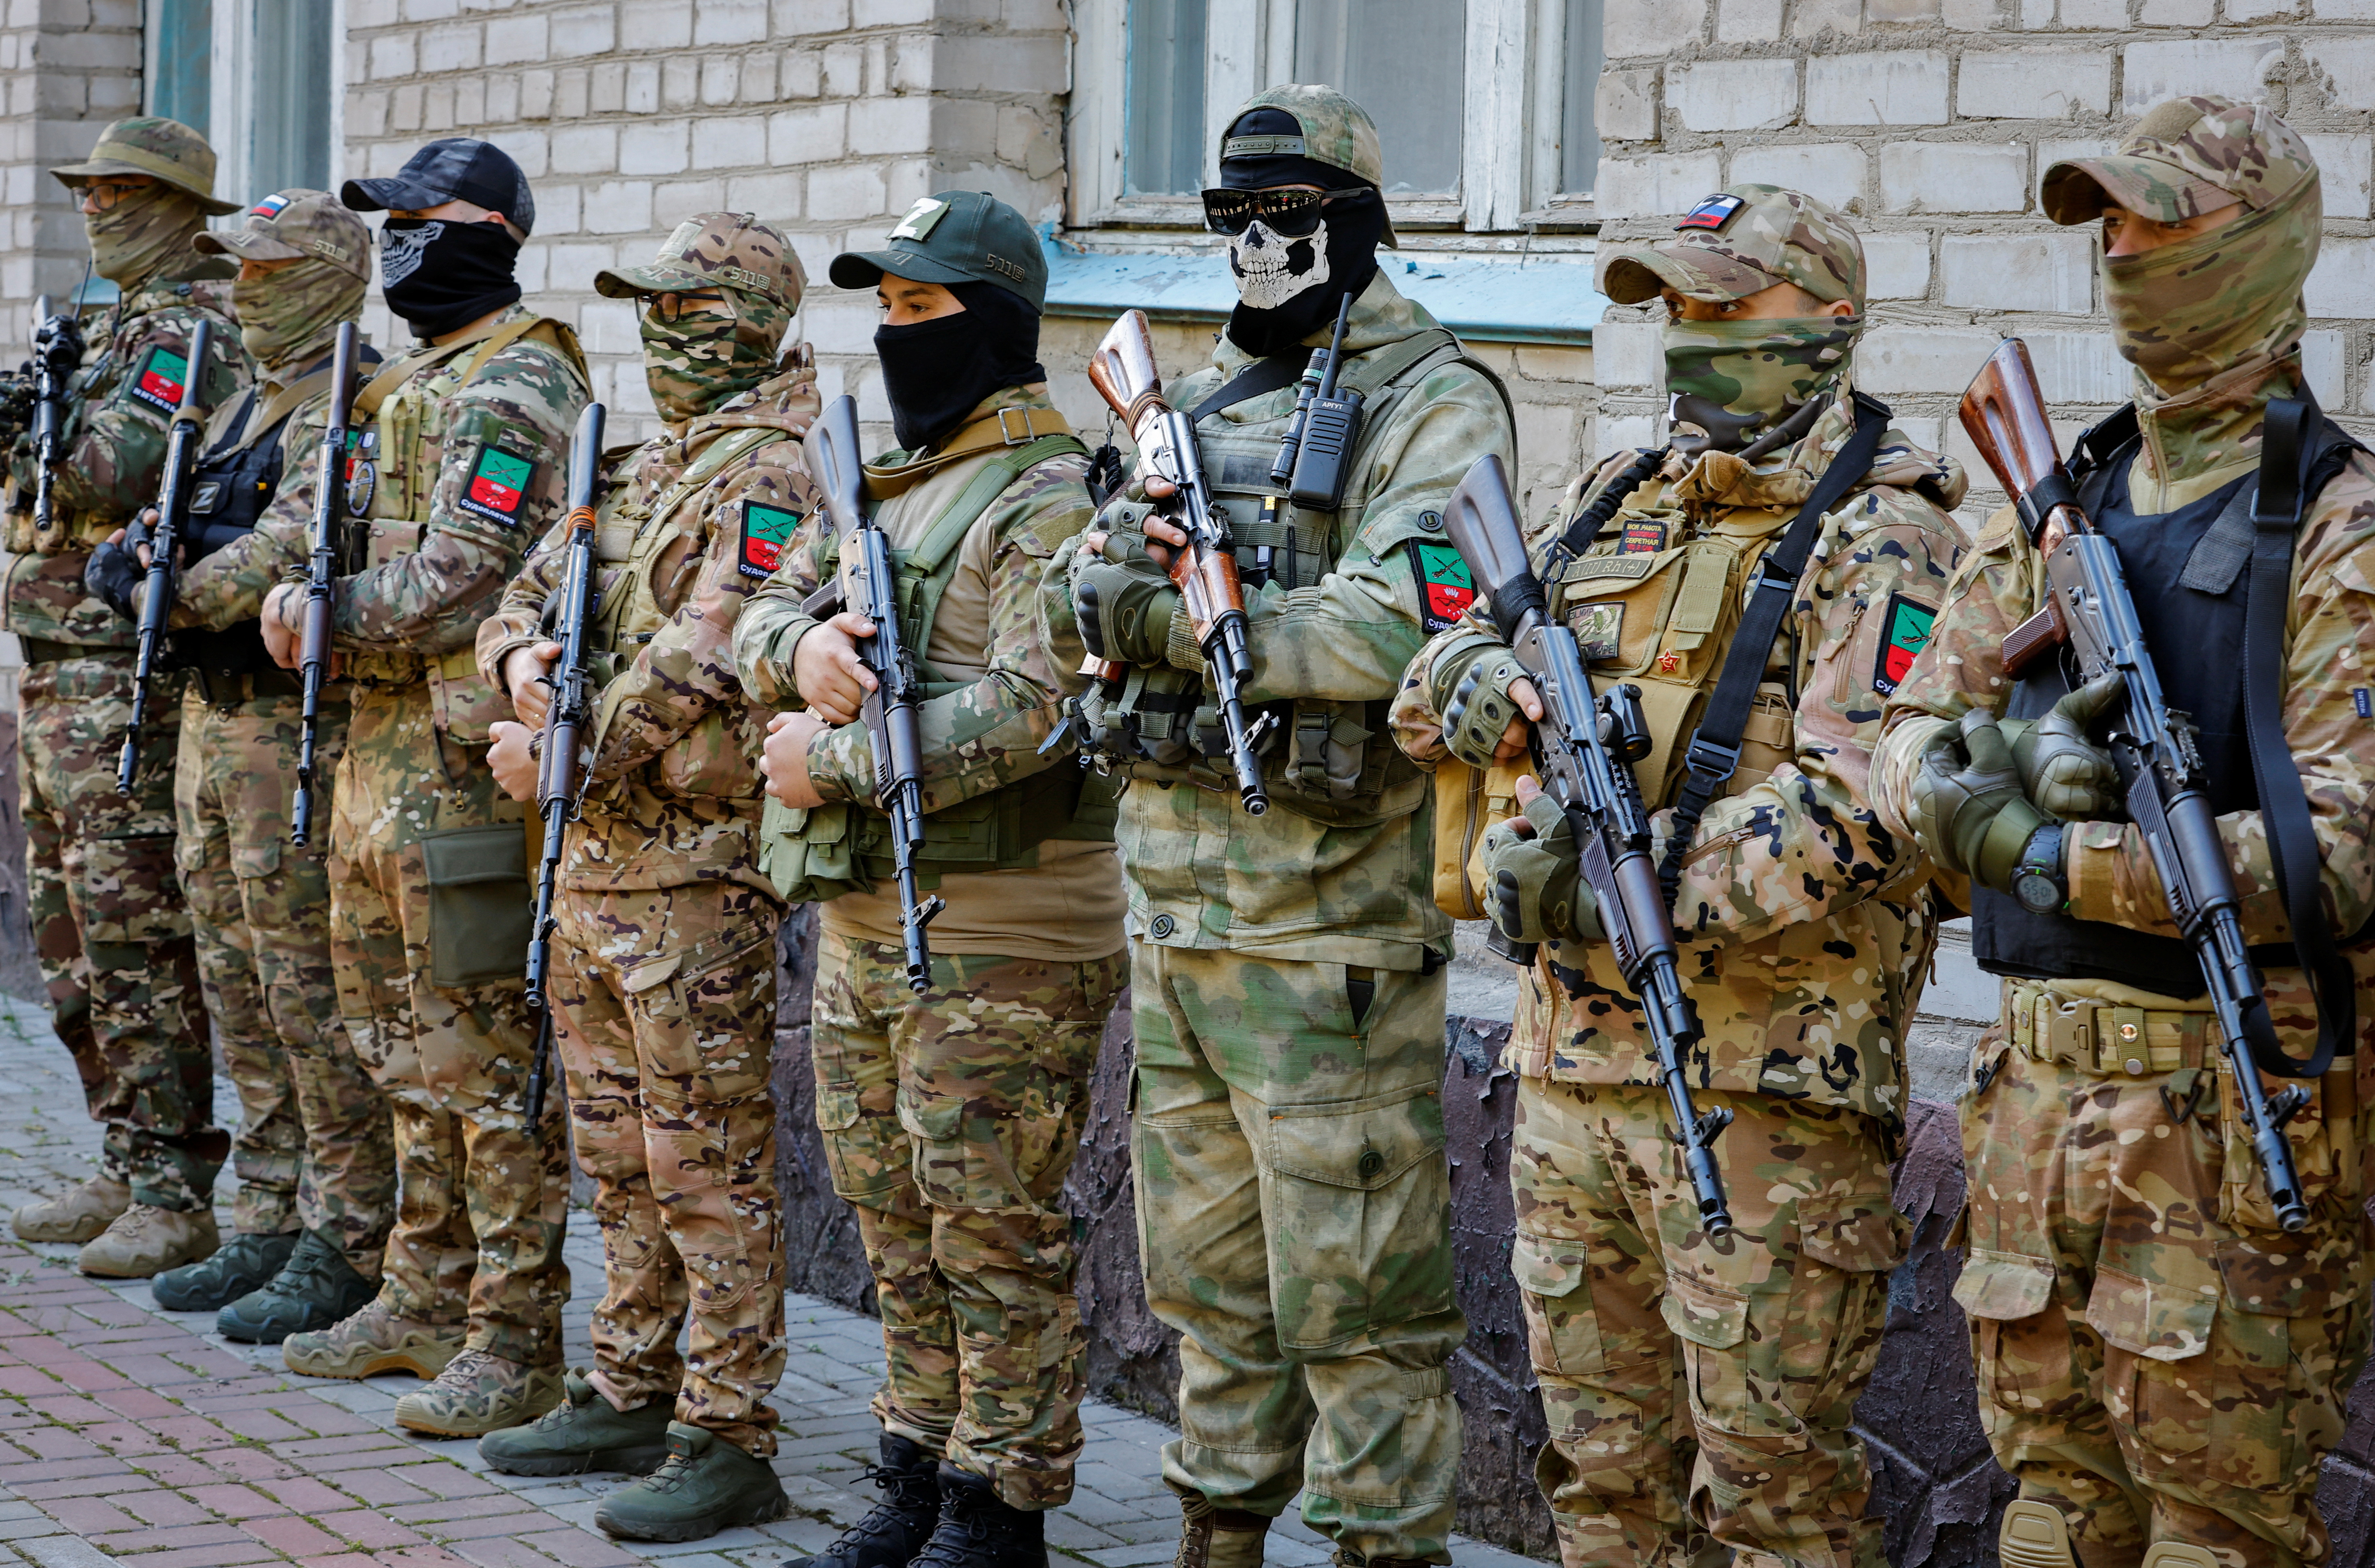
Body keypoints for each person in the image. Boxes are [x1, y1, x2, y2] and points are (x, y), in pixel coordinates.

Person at [1390, 184, 1966, 1567]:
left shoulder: (1888, 538)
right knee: (1600, 1484)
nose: (1692, 339)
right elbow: (1434, 668)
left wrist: (1632, 882)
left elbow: (1861, 812)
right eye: (1676, 312)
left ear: (1830, 325)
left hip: (1767, 1106)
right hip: (1572, 1081)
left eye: (1726, 308)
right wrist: (1469, 681)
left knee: (1771, 1501)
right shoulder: (1616, 502)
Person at [1871, 96, 2375, 1568]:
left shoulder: (2337, 527)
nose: (2126, 252)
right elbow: (1897, 747)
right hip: (2033, 1114)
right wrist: (1984, 777)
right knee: (2048, 1520)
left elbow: (2339, 852)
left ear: (2265, 250)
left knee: (2218, 1538)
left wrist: (2044, 853)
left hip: (2231, 1128)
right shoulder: (2058, 505)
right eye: (2111, 225)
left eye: (2166, 224)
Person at [1042, 86, 1513, 1568]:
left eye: (1289, 213)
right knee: (1206, 1285)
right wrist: (1110, 589)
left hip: (1327, 935)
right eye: (1231, 214)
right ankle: (1216, 1535)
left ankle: (1384, 1547)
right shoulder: (1198, 401)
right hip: (1179, 920)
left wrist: (1181, 614)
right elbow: (1083, 577)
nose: (1256, 241)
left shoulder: (1435, 400)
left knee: (1357, 1294)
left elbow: (1390, 630)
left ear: (1356, 223)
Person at [733, 189, 1126, 1568]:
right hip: (869, 923)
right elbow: (763, 609)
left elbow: (1038, 708)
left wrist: (828, 757)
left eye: (926, 308)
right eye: (886, 309)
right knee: (895, 1213)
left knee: (991, 1230)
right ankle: (912, 1471)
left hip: (1007, 931)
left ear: (1002, 324)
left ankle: (997, 1506)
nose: (899, 334)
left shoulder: (1045, 494)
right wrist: (804, 656)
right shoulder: (889, 481)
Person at [471, 212, 816, 1541]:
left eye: (686, 311)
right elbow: (518, 594)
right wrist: (518, 669)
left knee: (703, 1159)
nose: (662, 334)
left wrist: (560, 751)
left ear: (748, 320)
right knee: (614, 1151)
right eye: (649, 309)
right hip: (595, 868)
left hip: (696, 873)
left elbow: (712, 650)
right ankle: (630, 1376)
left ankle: (729, 1427)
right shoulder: (630, 458)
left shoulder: (778, 465)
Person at [248, 137, 588, 1437]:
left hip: (462, 771)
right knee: (400, 1049)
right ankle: (422, 1291)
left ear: (495, 231)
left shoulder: (517, 381)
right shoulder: (408, 381)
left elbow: (464, 570)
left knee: (488, 1063)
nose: (398, 245)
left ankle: (514, 1336)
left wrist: (314, 607)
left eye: (423, 221)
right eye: (383, 222)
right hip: (377, 763)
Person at [83, 190, 397, 1341]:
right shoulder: (240, 407)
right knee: (237, 982)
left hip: (287, 735)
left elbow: (287, 549)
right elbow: (154, 526)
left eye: (266, 274)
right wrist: (136, 564)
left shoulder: (352, 401)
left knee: (306, 991)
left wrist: (174, 588)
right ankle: (265, 1210)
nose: (244, 294)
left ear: (321, 275)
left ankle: (346, 1228)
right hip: (211, 725)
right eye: (238, 273)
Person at [3, 116, 248, 1278]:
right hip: (55, 667)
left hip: (117, 677)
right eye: (89, 190)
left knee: (137, 938)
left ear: (180, 207)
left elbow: (114, 468)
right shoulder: (108, 327)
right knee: (73, 943)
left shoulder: (192, 329)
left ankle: (174, 1181)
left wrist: (20, 434)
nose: (96, 210)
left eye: (120, 192)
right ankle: (124, 1147)